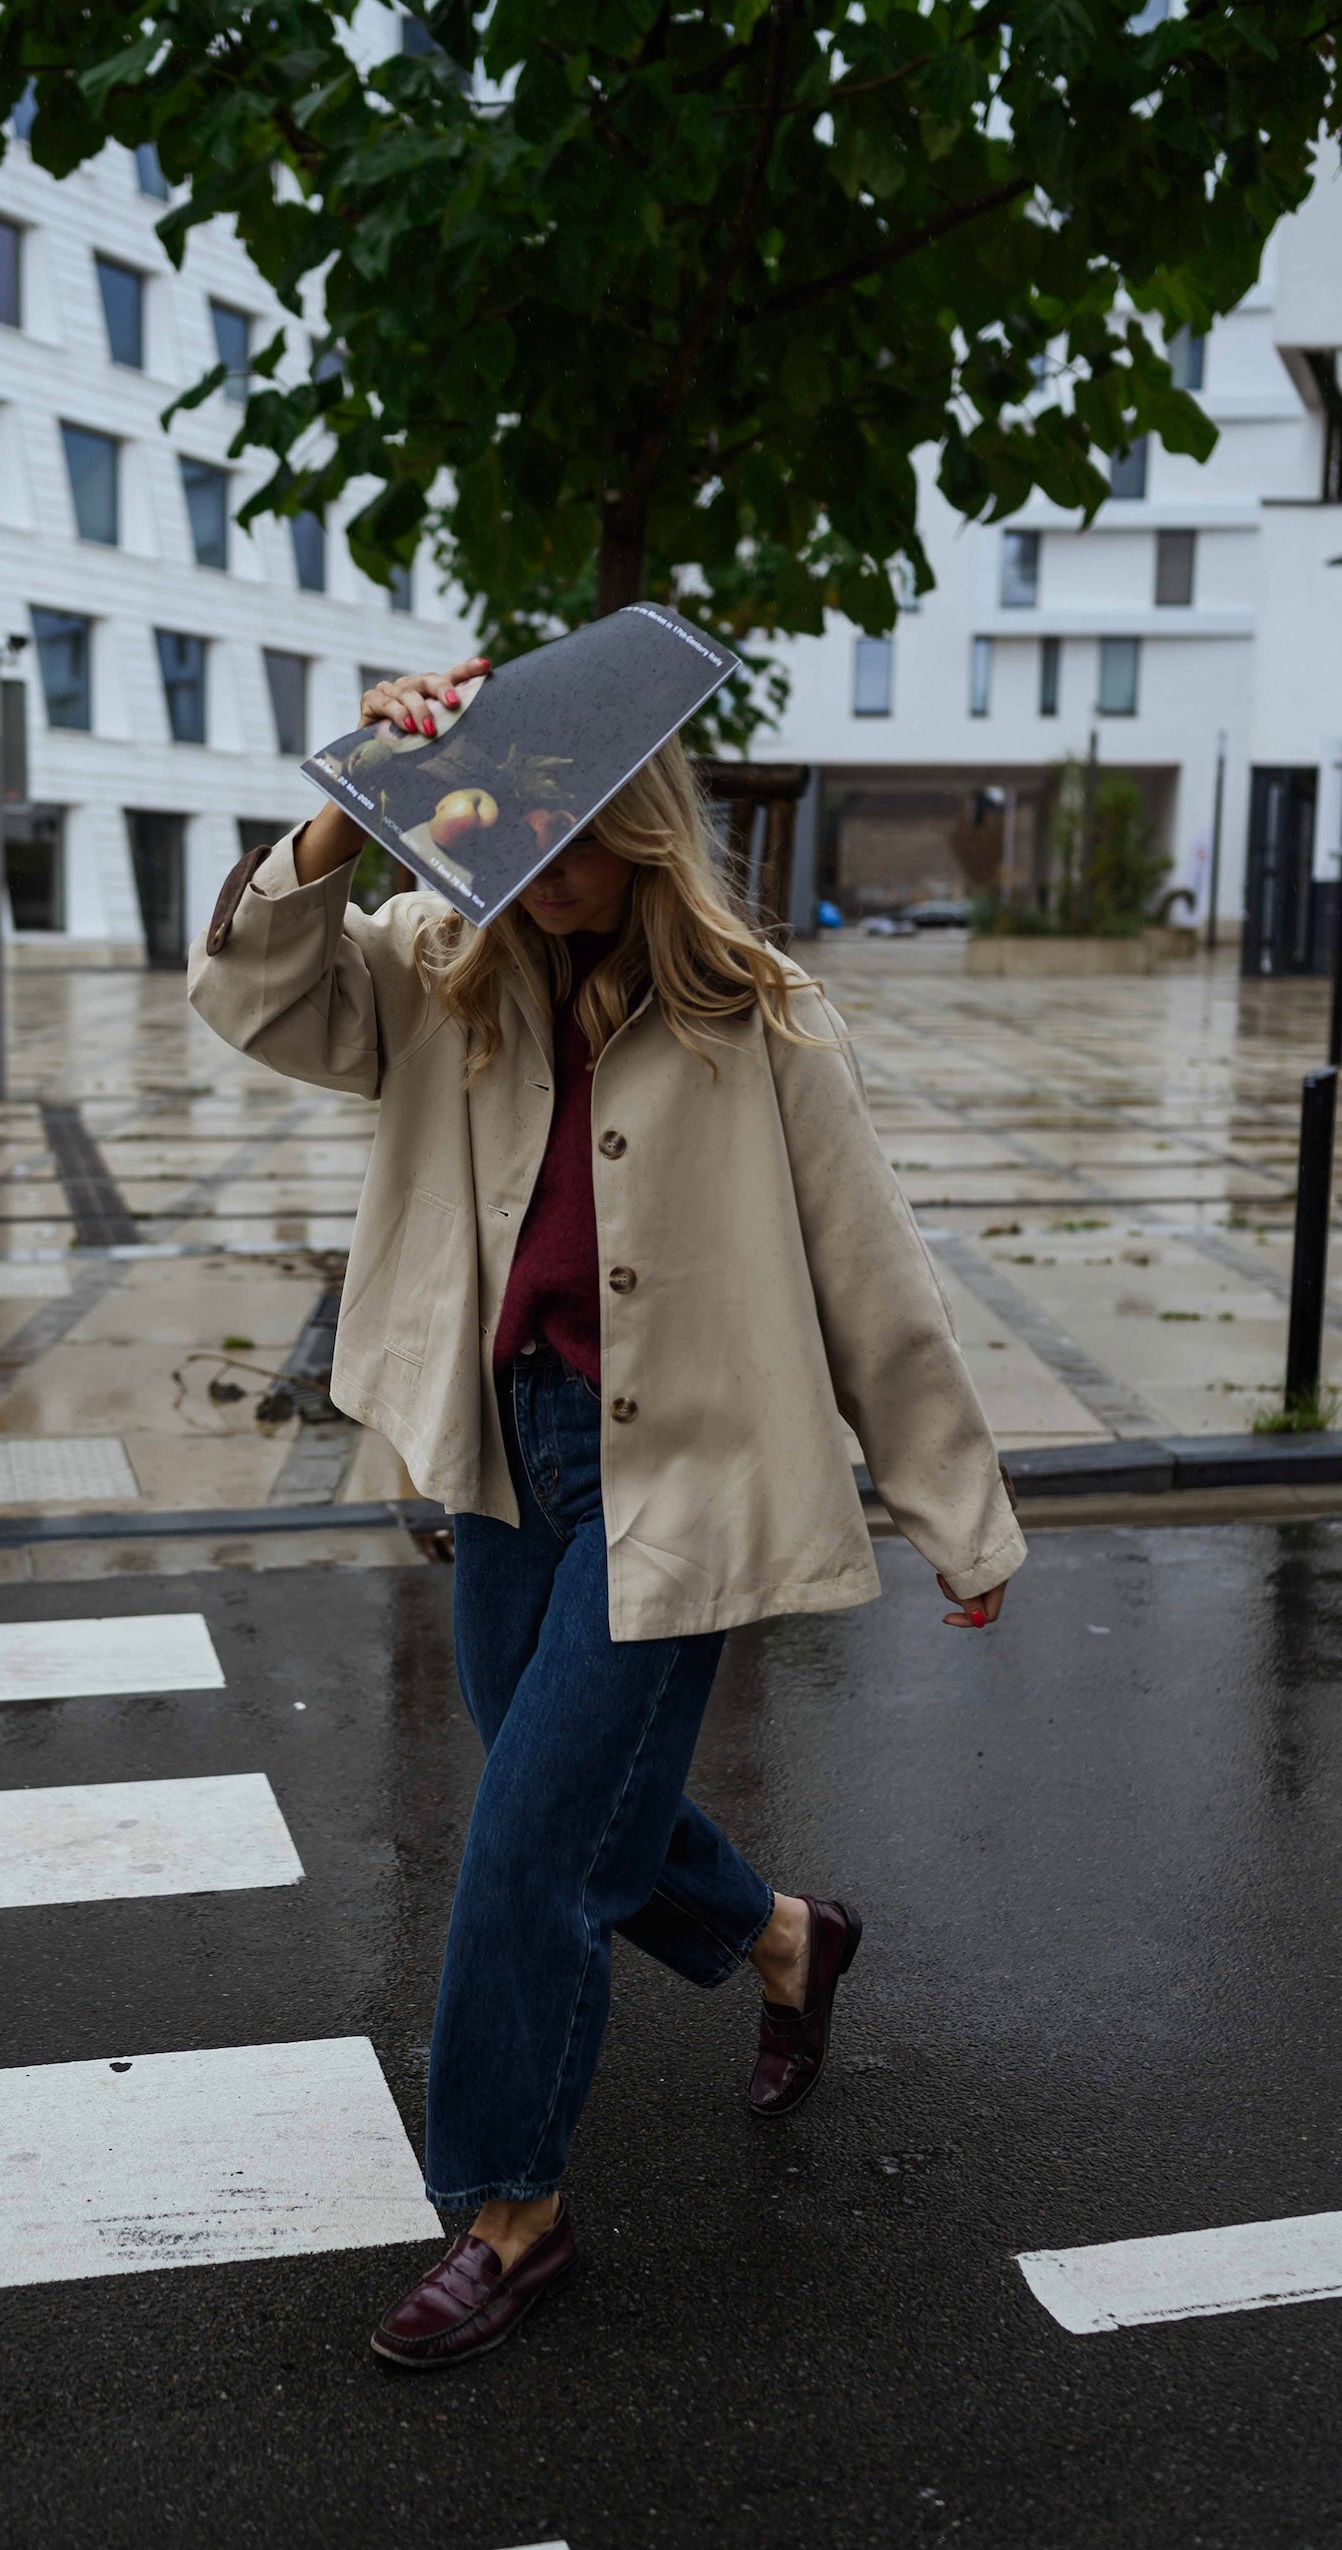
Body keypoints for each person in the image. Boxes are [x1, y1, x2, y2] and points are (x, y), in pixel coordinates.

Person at [190, 660, 1024, 2370]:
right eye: (522, 842)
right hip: (506, 1453)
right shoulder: (443, 972)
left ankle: (510, 2209)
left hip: (684, 1481)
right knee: (559, 1786)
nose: (544, 879)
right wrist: (358, 798)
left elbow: (877, 1276)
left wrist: (959, 1509)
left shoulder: (763, 1017)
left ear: (644, 836)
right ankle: (788, 1939)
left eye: (579, 846)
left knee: (531, 1843)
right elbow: (254, 995)